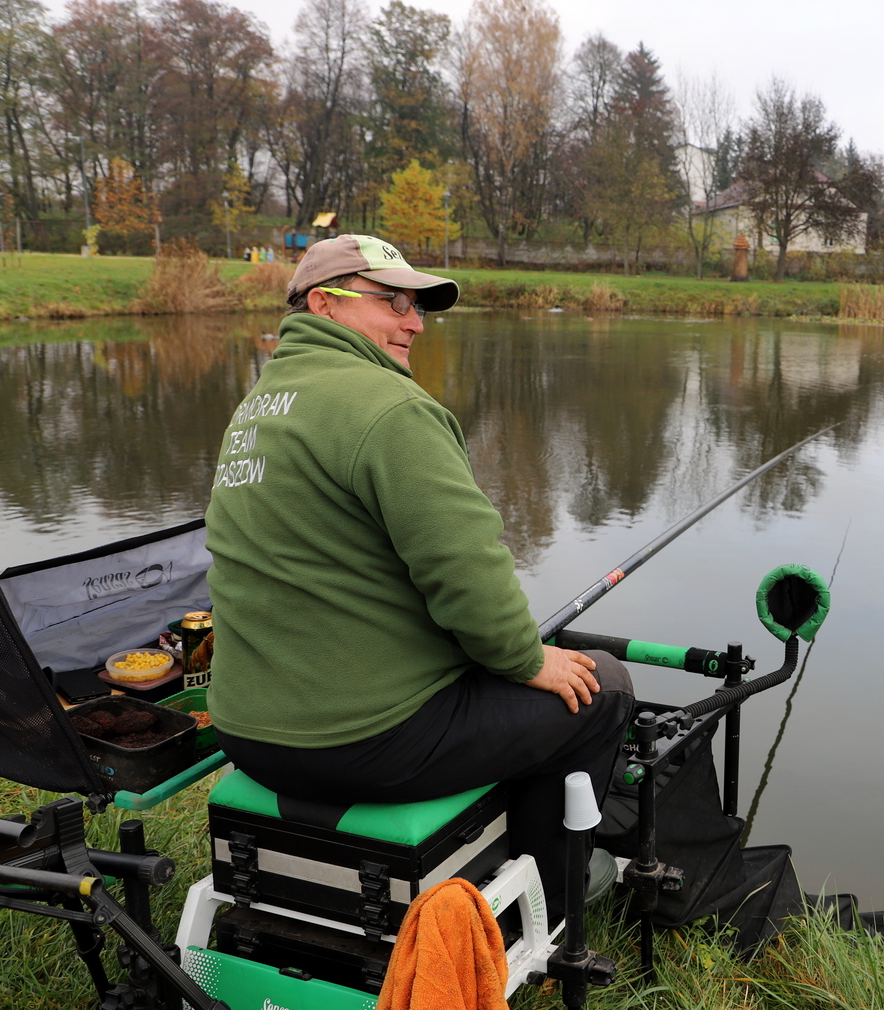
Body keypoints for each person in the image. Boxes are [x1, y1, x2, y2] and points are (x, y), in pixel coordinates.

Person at [204, 234, 633, 917]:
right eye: (393, 301)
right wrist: (526, 658)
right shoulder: (391, 408)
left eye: (418, 305)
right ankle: (553, 900)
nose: (414, 320)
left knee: (508, 674)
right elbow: (469, 573)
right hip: (363, 740)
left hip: (248, 732)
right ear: (324, 303)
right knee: (599, 686)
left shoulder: (256, 409)